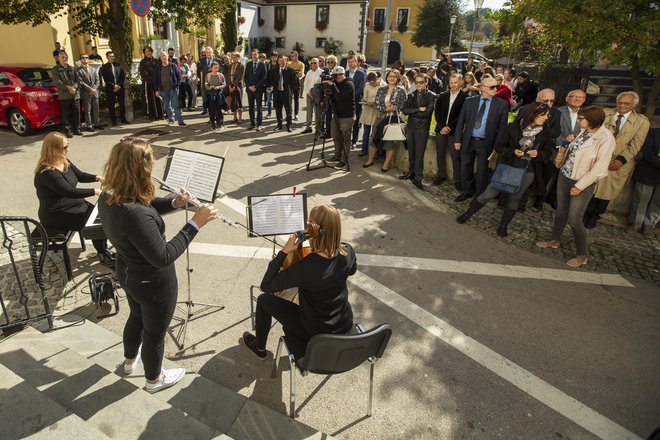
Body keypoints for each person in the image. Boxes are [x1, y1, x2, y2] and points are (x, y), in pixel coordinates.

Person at [98, 138, 218, 393]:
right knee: (154, 333)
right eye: (150, 158)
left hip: (128, 272)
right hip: (152, 283)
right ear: (139, 167)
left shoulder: (112, 196)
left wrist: (175, 203)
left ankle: (130, 360)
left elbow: (146, 205)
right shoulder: (135, 215)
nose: (154, 162)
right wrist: (195, 223)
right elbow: (163, 255)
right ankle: (154, 379)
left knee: (136, 317)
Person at [242, 205, 357, 359]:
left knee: (264, 300)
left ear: (314, 229)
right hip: (343, 323)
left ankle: (259, 347)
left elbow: (266, 286)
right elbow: (352, 270)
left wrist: (285, 251)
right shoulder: (347, 251)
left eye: (309, 222)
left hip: (315, 331)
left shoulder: (307, 267)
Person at [456, 103, 554, 237]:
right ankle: (468, 213)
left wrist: (538, 153)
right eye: (544, 115)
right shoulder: (512, 127)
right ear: (533, 114)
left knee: (515, 199)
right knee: (489, 193)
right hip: (508, 166)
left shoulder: (545, 132)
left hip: (528, 170)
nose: (546, 118)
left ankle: (503, 226)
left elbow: (547, 153)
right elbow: (499, 146)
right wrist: (512, 151)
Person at [536, 106, 616, 267]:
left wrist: (580, 186)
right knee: (561, 212)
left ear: (592, 120)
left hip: (582, 182)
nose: (579, 121)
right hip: (565, 176)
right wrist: (565, 146)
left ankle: (582, 255)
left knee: (574, 219)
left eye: (581, 118)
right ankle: (555, 240)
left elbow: (600, 167)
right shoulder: (583, 132)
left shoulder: (606, 138)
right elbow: (571, 153)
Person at [34, 132, 114, 265]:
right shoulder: (47, 173)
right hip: (57, 214)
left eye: (67, 146)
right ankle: (103, 253)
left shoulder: (64, 161)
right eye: (64, 148)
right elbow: (68, 191)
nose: (67, 150)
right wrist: (95, 191)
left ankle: (103, 249)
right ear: (53, 149)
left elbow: (80, 175)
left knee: (101, 216)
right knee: (95, 224)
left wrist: (98, 177)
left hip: (74, 205)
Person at [583, 91, 651, 228]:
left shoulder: (642, 122)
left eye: (626, 103)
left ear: (634, 105)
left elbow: (636, 144)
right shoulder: (605, 113)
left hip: (619, 161)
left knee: (607, 190)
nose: (622, 105)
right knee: (591, 185)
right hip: (598, 156)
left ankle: (595, 215)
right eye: (619, 102)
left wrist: (622, 159)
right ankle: (584, 212)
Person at [453, 77, 509, 201]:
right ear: (483, 88)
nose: (495, 89)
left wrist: (497, 146)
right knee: (465, 167)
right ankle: (467, 191)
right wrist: (457, 139)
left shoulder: (502, 104)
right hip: (468, 140)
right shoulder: (469, 102)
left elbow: (503, 128)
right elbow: (461, 122)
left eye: (496, 86)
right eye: (492, 87)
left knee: (482, 170)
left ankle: (478, 195)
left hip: (485, 143)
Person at [363, 69, 407, 172]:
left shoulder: (401, 90)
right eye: (390, 76)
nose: (392, 78)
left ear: (397, 78)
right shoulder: (382, 89)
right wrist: (385, 108)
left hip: (393, 119)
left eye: (394, 76)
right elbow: (377, 104)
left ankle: (386, 164)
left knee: (390, 142)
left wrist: (395, 107)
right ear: (386, 77)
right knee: (374, 138)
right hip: (380, 118)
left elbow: (404, 104)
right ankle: (370, 160)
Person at [400, 73, 437, 190]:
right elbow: (405, 110)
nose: (418, 84)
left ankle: (418, 178)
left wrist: (413, 111)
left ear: (426, 82)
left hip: (422, 129)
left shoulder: (432, 96)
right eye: (416, 82)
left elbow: (427, 113)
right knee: (411, 153)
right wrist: (418, 109)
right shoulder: (411, 95)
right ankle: (410, 173)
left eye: (421, 82)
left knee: (419, 155)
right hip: (410, 128)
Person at [434, 73, 467, 188]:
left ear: (461, 82)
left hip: (454, 132)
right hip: (440, 130)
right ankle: (441, 175)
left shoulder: (465, 98)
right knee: (440, 154)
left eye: (455, 82)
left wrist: (449, 127)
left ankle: (457, 179)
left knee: (455, 156)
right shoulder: (442, 96)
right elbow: (437, 112)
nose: (453, 85)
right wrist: (442, 126)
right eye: (451, 82)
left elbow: (462, 116)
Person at [629, 128, 659, 237]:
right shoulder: (654, 133)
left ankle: (649, 225)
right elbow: (647, 152)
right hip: (648, 171)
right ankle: (636, 222)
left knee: (658, 202)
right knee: (641, 198)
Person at [324, 66, 355, 170]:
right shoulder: (336, 84)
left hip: (346, 116)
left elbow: (339, 97)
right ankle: (337, 156)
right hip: (336, 115)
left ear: (344, 74)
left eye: (340, 75)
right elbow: (332, 97)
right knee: (335, 136)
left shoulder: (349, 84)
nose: (338, 77)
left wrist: (332, 85)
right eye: (336, 76)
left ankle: (344, 160)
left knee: (345, 139)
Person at [52, 51, 81, 138]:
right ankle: (68, 131)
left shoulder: (72, 68)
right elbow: (57, 82)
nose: (64, 59)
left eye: (66, 57)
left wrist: (75, 87)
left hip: (75, 95)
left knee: (77, 112)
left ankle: (77, 129)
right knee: (66, 115)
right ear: (58, 59)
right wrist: (69, 88)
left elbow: (78, 80)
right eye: (62, 57)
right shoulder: (55, 69)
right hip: (64, 96)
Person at [153, 52, 186, 127]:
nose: (164, 57)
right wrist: (156, 90)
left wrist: (176, 85)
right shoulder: (158, 67)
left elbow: (179, 76)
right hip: (162, 90)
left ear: (167, 57)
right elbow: (155, 80)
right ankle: (171, 119)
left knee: (176, 105)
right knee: (167, 105)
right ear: (160, 58)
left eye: (165, 56)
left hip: (172, 89)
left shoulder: (173, 66)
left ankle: (180, 121)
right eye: (162, 56)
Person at [267, 54, 296, 132]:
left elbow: (294, 83)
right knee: (278, 109)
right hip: (277, 93)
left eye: (283, 61)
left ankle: (289, 125)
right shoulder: (274, 70)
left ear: (286, 61)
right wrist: (271, 87)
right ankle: (279, 125)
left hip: (286, 93)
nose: (282, 62)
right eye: (280, 61)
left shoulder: (290, 70)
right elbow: (270, 80)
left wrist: (291, 92)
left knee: (288, 109)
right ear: (278, 62)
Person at [99, 51, 127, 126]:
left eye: (113, 56)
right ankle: (113, 121)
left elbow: (122, 77)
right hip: (110, 89)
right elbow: (106, 79)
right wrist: (114, 86)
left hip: (120, 88)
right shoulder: (104, 67)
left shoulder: (119, 65)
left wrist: (118, 86)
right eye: (110, 56)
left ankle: (123, 119)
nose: (112, 58)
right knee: (111, 105)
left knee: (122, 104)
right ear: (107, 57)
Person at [357, 72, 382, 157]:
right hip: (367, 110)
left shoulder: (383, 86)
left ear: (377, 79)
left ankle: (375, 151)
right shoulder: (367, 85)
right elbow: (364, 96)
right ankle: (364, 150)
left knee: (375, 133)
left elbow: (382, 99)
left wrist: (374, 102)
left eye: (373, 82)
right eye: (370, 82)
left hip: (377, 111)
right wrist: (365, 101)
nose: (371, 84)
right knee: (366, 133)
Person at [77, 53, 102, 132]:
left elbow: (97, 80)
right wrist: (89, 89)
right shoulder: (78, 70)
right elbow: (80, 82)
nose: (85, 59)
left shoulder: (93, 69)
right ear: (81, 60)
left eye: (86, 57)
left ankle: (97, 123)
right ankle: (89, 125)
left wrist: (94, 89)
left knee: (96, 108)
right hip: (85, 93)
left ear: (88, 59)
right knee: (87, 110)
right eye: (83, 58)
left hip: (94, 92)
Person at [244, 49, 267, 131]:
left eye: (255, 54)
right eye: (252, 54)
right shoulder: (249, 64)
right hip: (250, 89)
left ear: (258, 55)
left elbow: (264, 77)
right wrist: (249, 86)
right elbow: (245, 77)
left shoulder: (262, 64)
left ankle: (259, 124)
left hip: (258, 89)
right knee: (251, 107)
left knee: (259, 107)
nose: (254, 56)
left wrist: (256, 86)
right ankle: (252, 124)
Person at [139, 46, 164, 121]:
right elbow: (143, 74)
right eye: (146, 52)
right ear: (144, 53)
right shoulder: (143, 62)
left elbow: (160, 71)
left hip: (157, 83)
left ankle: (160, 115)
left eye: (149, 51)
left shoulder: (156, 61)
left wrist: (157, 80)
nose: (148, 53)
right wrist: (152, 80)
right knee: (150, 99)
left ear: (151, 52)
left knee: (158, 98)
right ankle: (152, 116)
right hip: (148, 83)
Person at [346, 55, 366, 148]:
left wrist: (351, 97)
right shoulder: (345, 73)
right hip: (345, 103)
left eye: (353, 62)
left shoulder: (361, 74)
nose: (351, 64)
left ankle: (354, 140)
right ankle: (346, 140)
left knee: (356, 122)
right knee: (346, 122)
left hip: (356, 102)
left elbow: (361, 88)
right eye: (349, 62)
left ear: (357, 62)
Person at [301, 57, 323, 134]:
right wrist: (308, 93)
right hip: (309, 94)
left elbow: (322, 85)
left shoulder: (321, 72)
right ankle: (308, 127)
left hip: (317, 95)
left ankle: (318, 129)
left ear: (318, 63)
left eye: (315, 63)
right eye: (312, 63)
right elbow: (305, 83)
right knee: (309, 112)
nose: (313, 64)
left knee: (317, 113)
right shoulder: (309, 72)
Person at [199, 47, 221, 116]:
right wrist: (199, 79)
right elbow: (199, 70)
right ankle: (207, 111)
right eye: (207, 52)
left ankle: (214, 115)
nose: (208, 54)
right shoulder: (202, 60)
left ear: (212, 53)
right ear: (205, 53)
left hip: (215, 84)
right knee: (206, 99)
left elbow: (221, 71)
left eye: (209, 52)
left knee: (214, 100)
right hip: (205, 83)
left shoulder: (218, 60)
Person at [205, 61, 226, 131]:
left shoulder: (221, 75)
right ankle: (212, 123)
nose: (216, 69)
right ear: (211, 68)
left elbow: (224, 84)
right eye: (214, 68)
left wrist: (218, 87)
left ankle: (220, 123)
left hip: (218, 94)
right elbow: (205, 84)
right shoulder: (208, 75)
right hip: (211, 94)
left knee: (218, 109)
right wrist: (209, 87)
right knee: (211, 110)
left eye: (217, 68)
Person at [226, 52, 245, 124]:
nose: (233, 59)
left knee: (239, 102)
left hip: (238, 86)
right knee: (233, 103)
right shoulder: (230, 65)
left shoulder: (241, 66)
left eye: (235, 57)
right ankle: (234, 117)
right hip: (231, 86)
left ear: (238, 57)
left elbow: (239, 77)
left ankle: (240, 118)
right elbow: (228, 76)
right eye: (232, 57)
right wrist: (229, 86)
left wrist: (234, 86)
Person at [288, 51, 305, 120]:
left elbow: (301, 74)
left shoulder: (301, 64)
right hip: (289, 83)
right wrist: (295, 72)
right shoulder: (288, 64)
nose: (291, 57)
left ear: (297, 56)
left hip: (297, 83)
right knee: (289, 100)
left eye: (293, 56)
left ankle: (296, 114)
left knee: (296, 99)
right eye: (291, 56)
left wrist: (293, 73)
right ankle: (289, 114)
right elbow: (287, 74)